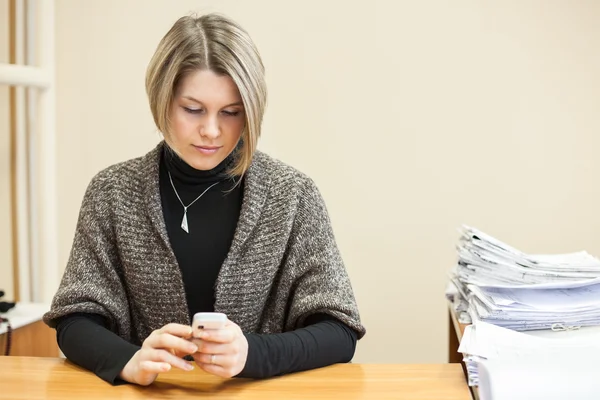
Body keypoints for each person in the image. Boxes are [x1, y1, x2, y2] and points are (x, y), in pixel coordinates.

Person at [43, 13, 365, 386]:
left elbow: (340, 331)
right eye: (192, 109)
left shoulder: (293, 196)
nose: (211, 131)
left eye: (231, 113)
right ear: (162, 100)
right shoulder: (112, 193)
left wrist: (252, 353)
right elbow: (74, 319)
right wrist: (129, 360)